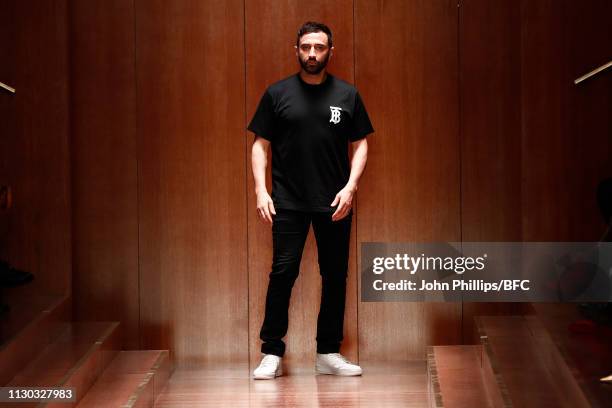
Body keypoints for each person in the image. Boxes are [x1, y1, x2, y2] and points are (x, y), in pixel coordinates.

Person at [247, 21, 373, 380]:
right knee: (283, 274)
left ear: (330, 51)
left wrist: (350, 187)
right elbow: (260, 145)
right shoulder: (277, 94)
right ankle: (271, 353)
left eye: (319, 47)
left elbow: (362, 143)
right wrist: (260, 189)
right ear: (297, 50)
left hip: (335, 202)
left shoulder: (347, 95)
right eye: (306, 47)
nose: (312, 54)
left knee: (335, 276)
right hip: (287, 202)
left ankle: (328, 353)